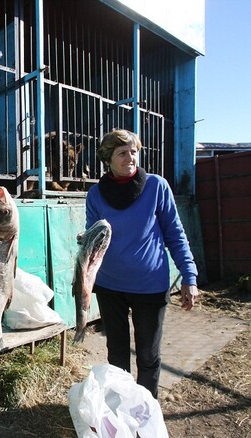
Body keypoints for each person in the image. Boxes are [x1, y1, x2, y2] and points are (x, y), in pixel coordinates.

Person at [85, 128, 199, 399]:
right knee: (117, 354)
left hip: (149, 286)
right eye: (122, 153)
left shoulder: (156, 187)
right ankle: (121, 407)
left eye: (134, 152)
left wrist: (189, 276)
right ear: (108, 159)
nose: (130, 158)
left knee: (148, 355)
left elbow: (175, 233)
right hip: (110, 285)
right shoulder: (96, 195)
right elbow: (93, 241)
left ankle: (146, 410)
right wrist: (85, 279)